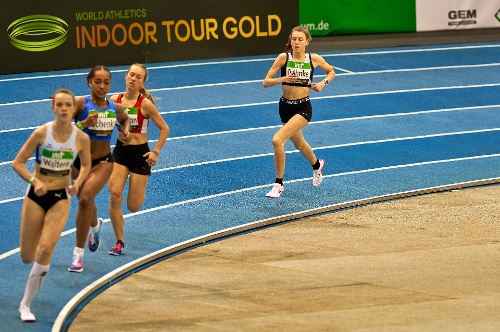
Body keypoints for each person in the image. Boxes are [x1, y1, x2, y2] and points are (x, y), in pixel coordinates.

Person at [12, 88, 91, 322]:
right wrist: (34, 181)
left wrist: (78, 182)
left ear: (73, 108)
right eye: (60, 105)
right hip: (36, 196)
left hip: (60, 198)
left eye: (69, 105)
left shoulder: (81, 138)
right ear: (53, 108)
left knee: (46, 249)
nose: (65, 109)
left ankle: (25, 305)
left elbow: (86, 165)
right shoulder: (40, 133)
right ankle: (36, 262)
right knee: (28, 256)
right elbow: (17, 163)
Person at [69, 65, 131, 272]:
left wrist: (125, 131)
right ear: (89, 82)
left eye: (106, 82)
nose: (102, 86)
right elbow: (61, 131)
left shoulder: (114, 107)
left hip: (104, 161)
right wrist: (83, 123)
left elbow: (124, 120)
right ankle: (95, 226)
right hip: (78, 163)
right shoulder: (79, 105)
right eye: (98, 82)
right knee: (86, 203)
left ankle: (78, 256)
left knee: (85, 199)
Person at [262, 26, 336, 198]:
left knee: (277, 140)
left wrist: (322, 84)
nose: (296, 42)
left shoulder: (313, 59)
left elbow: (332, 72)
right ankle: (317, 165)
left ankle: (278, 184)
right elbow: (266, 82)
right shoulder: (283, 58)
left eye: (300, 39)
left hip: (303, 108)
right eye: (294, 39)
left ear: (307, 42)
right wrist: (282, 79)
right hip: (285, 107)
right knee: (299, 144)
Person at [107, 63, 170, 256]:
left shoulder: (145, 104)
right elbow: (106, 125)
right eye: (131, 75)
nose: (133, 79)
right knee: (114, 194)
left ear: (142, 82)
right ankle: (119, 242)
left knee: (133, 207)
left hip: (140, 155)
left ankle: (138, 183)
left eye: (138, 77)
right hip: (119, 153)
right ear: (125, 76)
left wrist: (156, 152)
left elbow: (164, 129)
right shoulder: (114, 100)